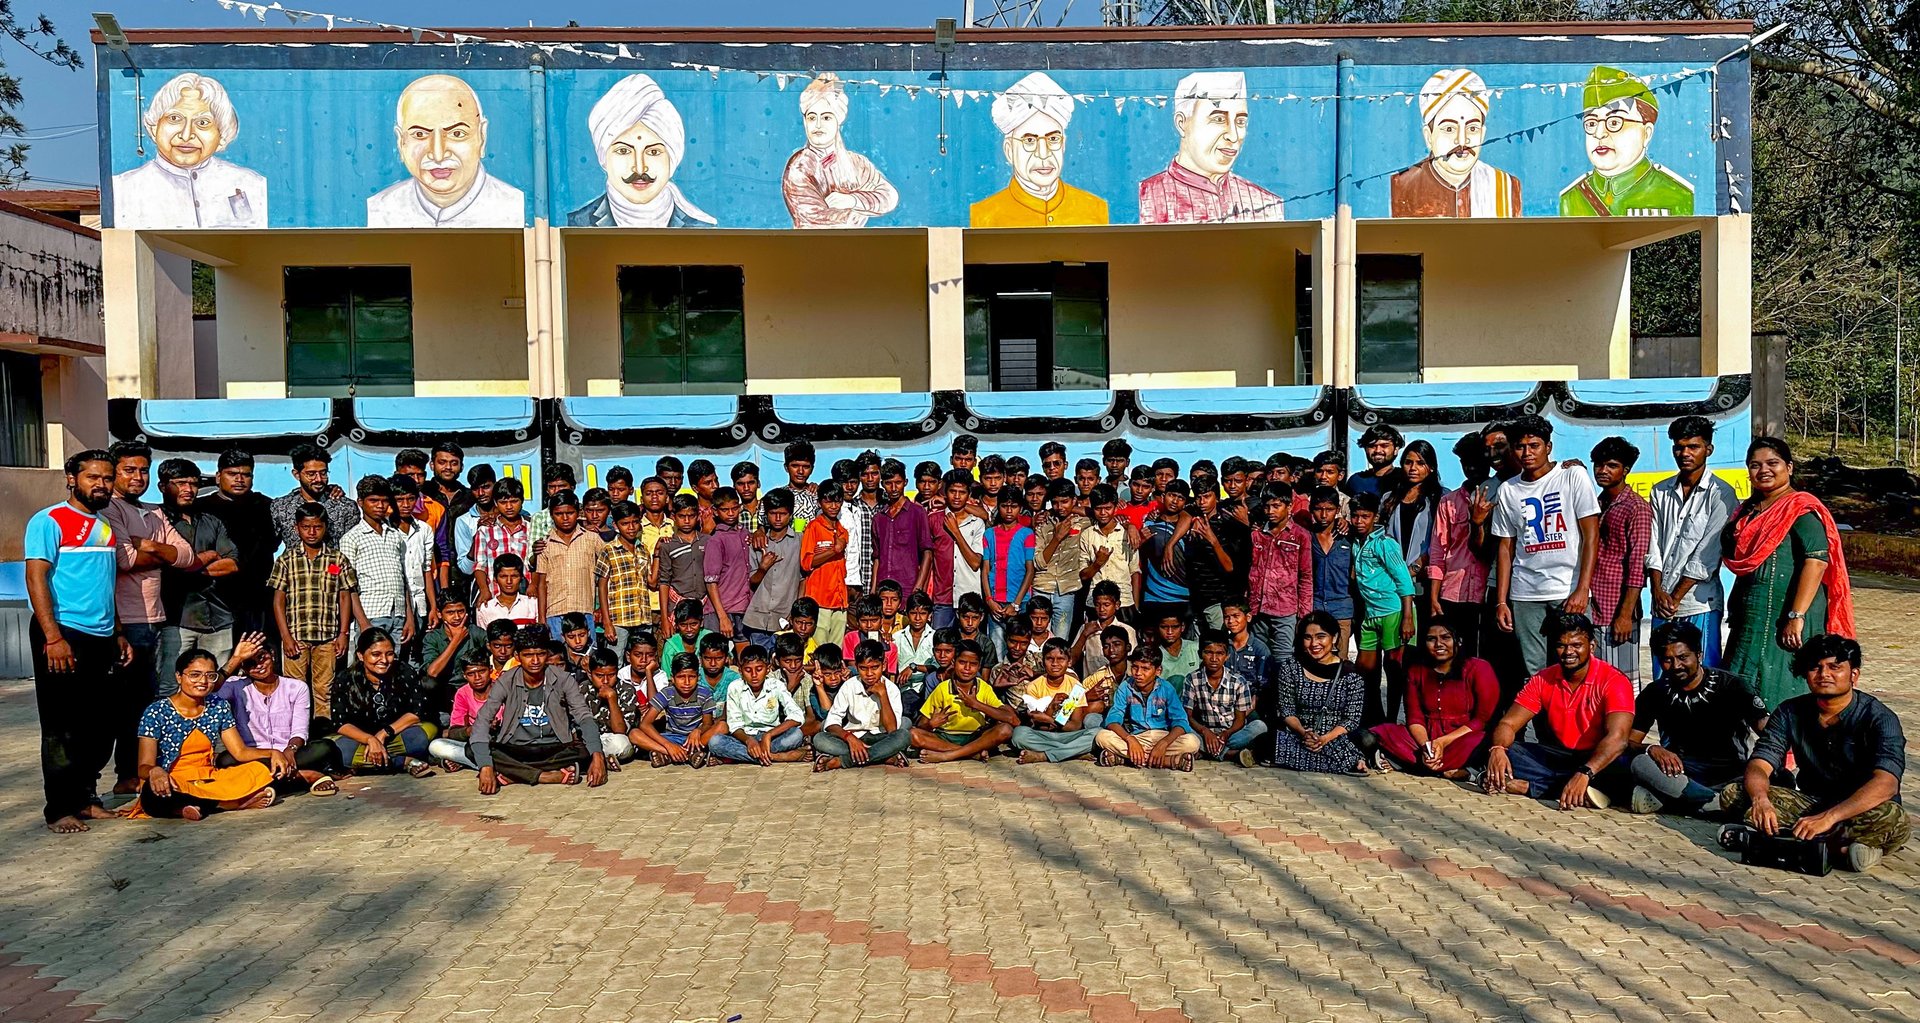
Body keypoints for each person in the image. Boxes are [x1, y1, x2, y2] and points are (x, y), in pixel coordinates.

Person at [1720, 635, 1908, 872]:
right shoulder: (1790, 711)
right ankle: (1840, 849)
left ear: (1854, 675)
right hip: (1812, 805)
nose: (1824, 674)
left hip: (1860, 809)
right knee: (1734, 795)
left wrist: (1829, 818)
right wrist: (1761, 800)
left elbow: (1886, 784)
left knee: (1892, 816)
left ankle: (1781, 839)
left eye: (1834, 667)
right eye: (1815, 668)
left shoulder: (1879, 718)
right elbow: (1760, 763)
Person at [27, 451, 137, 832]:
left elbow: (107, 585)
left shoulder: (105, 525)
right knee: (62, 726)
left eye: (107, 478)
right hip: (63, 632)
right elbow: (36, 578)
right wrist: (53, 637)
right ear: (71, 478)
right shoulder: (49, 520)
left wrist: (118, 631)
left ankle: (87, 799)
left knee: (101, 723)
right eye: (93, 477)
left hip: (102, 635)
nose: (101, 485)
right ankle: (59, 810)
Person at [1722, 436, 1856, 709]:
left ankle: (1788, 751)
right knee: (1739, 692)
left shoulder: (1800, 510)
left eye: (1773, 463)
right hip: (1751, 621)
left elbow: (1816, 562)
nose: (1764, 471)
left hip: (1788, 620)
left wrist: (1796, 616)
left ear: (1790, 468)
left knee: (1782, 689)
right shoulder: (1748, 511)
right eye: (1755, 465)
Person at [100, 441, 201, 793]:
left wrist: (151, 546)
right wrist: (163, 554)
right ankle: (124, 774)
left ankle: (136, 772)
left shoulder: (154, 513)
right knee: (125, 704)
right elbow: (124, 559)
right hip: (127, 620)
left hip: (155, 618)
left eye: (143, 470)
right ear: (114, 474)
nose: (138, 477)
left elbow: (188, 556)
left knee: (146, 700)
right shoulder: (110, 510)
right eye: (130, 470)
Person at [1481, 613, 1634, 809]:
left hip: (1597, 759)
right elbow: (1508, 724)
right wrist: (1498, 750)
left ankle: (1530, 787)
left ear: (1592, 647)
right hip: (1559, 756)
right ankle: (1579, 791)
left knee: (1626, 767)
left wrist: (1585, 773)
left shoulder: (1614, 680)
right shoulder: (1543, 678)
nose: (1568, 652)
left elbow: (1618, 738)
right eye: (1562, 645)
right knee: (1504, 750)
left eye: (1576, 645)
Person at [1492, 415, 1602, 678]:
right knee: (1535, 671)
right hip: (1525, 593)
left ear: (1549, 446)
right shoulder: (1508, 490)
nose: (1527, 453)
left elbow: (1591, 537)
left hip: (1567, 590)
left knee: (1575, 665)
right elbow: (1506, 549)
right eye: (1520, 446)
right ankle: (1541, 721)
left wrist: (1582, 589)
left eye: (1534, 445)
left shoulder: (1572, 476)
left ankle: (1578, 721)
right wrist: (1501, 601)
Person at [1624, 621, 1769, 815]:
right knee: (1639, 763)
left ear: (1699, 655)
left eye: (1683, 657)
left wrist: (1759, 766)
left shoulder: (1733, 686)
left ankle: (1677, 802)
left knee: (1781, 776)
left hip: (1732, 775)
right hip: (1681, 775)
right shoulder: (1655, 692)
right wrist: (1652, 748)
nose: (1676, 666)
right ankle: (1714, 804)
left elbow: (1769, 734)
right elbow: (1630, 741)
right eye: (1667, 660)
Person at [131, 649, 294, 820]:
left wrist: (272, 753)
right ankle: (231, 803)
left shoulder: (218, 706)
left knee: (265, 767)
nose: (203, 681)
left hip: (210, 779)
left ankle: (198, 805)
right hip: (174, 782)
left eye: (210, 676)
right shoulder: (156, 711)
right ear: (179, 676)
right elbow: (143, 767)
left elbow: (240, 752)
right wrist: (155, 771)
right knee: (153, 794)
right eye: (195, 675)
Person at [1647, 416, 1739, 667]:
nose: (1684, 453)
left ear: (1708, 449)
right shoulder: (1660, 490)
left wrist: (1674, 598)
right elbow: (1651, 545)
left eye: (1693, 447)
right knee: (1664, 676)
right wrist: (1657, 592)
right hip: (1662, 603)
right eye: (1679, 447)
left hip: (1699, 603)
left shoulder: (1722, 494)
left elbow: (1707, 555)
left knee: (1703, 675)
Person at [471, 627, 609, 791]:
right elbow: (483, 720)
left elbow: (584, 716)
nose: (535, 661)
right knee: (473, 749)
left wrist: (598, 756)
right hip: (516, 749)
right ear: (517, 656)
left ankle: (514, 774)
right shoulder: (506, 680)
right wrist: (486, 767)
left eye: (541, 654)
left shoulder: (563, 679)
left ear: (547, 655)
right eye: (528, 655)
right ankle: (545, 776)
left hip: (555, 748)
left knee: (588, 749)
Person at [1367, 617, 1498, 776]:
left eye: (1446, 638)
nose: (1438, 644)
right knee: (1380, 733)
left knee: (1484, 741)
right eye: (1431, 639)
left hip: (1462, 738)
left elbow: (1481, 720)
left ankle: (1412, 765)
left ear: (1459, 641)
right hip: (1426, 739)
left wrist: (1443, 742)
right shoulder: (1416, 671)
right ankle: (1445, 769)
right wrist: (1427, 747)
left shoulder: (1478, 668)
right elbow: (1414, 718)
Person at [269, 504, 359, 724]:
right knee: (294, 689)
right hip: (296, 637)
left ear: (325, 527)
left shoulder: (337, 559)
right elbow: (278, 601)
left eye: (317, 527)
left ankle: (323, 732)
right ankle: (296, 733)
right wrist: (286, 637)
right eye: (306, 527)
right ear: (296, 528)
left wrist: (343, 633)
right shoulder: (286, 560)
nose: (311, 532)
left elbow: (345, 597)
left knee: (324, 688)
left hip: (327, 637)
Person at [155, 458, 240, 688]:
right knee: (170, 686)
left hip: (218, 616)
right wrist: (208, 557)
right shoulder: (155, 521)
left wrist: (187, 568)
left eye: (193, 484)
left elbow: (231, 563)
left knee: (216, 688)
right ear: (163, 486)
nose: (188, 489)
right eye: (180, 483)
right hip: (175, 618)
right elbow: (162, 565)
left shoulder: (210, 521)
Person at [216, 637, 341, 786]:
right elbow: (209, 692)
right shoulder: (235, 686)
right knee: (225, 761)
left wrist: (290, 751)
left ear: (273, 655)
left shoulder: (296, 687)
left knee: (325, 748)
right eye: (250, 663)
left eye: (262, 658)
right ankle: (301, 776)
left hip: (291, 754)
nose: (259, 666)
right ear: (243, 667)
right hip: (254, 756)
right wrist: (236, 659)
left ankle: (270, 778)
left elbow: (299, 732)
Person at [326, 628, 438, 777]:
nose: (384, 660)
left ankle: (368, 764)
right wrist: (370, 739)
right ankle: (403, 762)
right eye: (376, 654)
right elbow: (340, 723)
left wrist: (384, 734)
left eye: (389, 654)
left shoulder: (403, 670)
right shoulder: (345, 679)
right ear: (360, 655)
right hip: (360, 740)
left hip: (395, 735)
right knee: (340, 751)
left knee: (423, 735)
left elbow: (417, 712)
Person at [1586, 437, 1653, 689]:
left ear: (1626, 470)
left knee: (1620, 684)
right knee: (1594, 682)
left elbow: (1637, 566)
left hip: (1617, 609)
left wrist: (1625, 615)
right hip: (1594, 606)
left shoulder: (1636, 508)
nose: (1603, 471)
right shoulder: (1597, 502)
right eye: (1599, 465)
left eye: (1611, 465)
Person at [194, 449, 279, 639]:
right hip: (213, 598)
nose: (239, 479)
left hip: (257, 600)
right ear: (218, 476)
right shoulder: (199, 508)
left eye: (246, 475)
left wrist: (330, 493)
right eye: (232, 474)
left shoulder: (265, 506)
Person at [1271, 611, 1369, 775]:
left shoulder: (1351, 673)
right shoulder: (1290, 668)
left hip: (1337, 737)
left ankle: (1291, 760)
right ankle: (1347, 763)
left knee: (1367, 740)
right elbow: (1286, 709)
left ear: (1335, 638)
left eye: (1321, 636)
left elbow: (1352, 718)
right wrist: (1304, 733)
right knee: (1267, 741)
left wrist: (1325, 739)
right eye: (1308, 637)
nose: (1314, 643)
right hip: (1299, 736)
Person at [1350, 493, 1418, 726]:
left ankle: (1392, 720)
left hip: (1393, 611)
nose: (1359, 521)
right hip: (1370, 613)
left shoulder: (1385, 544)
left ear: (1375, 517)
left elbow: (1404, 580)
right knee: (1365, 669)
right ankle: (1371, 718)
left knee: (1394, 668)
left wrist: (1407, 617)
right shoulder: (1356, 543)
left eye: (1365, 516)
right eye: (1355, 516)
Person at [1426, 433, 1494, 658]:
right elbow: (1438, 551)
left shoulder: (1503, 493)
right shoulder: (1449, 502)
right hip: (1453, 593)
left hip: (1487, 592)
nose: (1472, 468)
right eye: (1466, 463)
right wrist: (1434, 598)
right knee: (1455, 657)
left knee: (1486, 658)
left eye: (1477, 462)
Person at [911, 641, 1018, 764]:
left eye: (973, 664)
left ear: (979, 666)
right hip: (945, 738)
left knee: (1006, 730)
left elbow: (1013, 720)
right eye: (962, 662)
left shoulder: (983, 687)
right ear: (954, 662)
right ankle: (970, 754)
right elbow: (920, 725)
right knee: (912, 734)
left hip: (976, 738)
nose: (967, 668)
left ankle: (947, 756)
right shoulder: (942, 688)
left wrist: (976, 704)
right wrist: (931, 724)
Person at [814, 639, 913, 771]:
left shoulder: (891, 689)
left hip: (880, 737)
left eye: (874, 667)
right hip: (853, 736)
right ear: (856, 666)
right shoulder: (849, 686)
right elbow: (832, 722)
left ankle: (843, 761)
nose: (869, 674)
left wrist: (883, 695)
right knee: (820, 739)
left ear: (883, 665)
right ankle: (884, 756)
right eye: (863, 668)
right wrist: (850, 738)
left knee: (903, 735)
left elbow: (892, 729)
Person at [339, 475, 415, 644]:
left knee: (393, 664)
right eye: (373, 501)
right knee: (372, 664)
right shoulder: (352, 538)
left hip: (398, 614)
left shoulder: (395, 535)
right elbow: (349, 586)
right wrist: (363, 622)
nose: (380, 506)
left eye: (384, 501)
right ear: (360, 502)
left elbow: (404, 579)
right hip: (371, 612)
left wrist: (409, 617)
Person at [1096, 646, 1199, 770]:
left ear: (1158, 671)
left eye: (1145, 669)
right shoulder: (1125, 687)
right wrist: (1130, 740)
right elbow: (1112, 720)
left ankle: (1125, 759)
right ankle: (1169, 761)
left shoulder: (1166, 688)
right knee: (1102, 737)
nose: (1138, 673)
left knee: (1192, 742)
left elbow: (1181, 721)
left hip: (1162, 736)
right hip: (1137, 737)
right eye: (1135, 667)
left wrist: (1163, 743)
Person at [709, 645, 809, 765]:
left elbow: (797, 715)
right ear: (740, 671)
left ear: (768, 669)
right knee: (715, 742)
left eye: (759, 669)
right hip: (744, 737)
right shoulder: (735, 687)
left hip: (772, 737)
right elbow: (734, 725)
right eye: (748, 670)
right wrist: (748, 741)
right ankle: (777, 757)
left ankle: (739, 757)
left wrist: (769, 735)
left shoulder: (776, 685)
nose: (754, 675)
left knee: (796, 735)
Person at [1011, 637, 1106, 764]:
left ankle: (1043, 756)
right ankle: (1073, 752)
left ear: (1069, 662)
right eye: (1050, 659)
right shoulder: (1034, 686)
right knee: (1019, 734)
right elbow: (1040, 728)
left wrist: (1050, 720)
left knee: (1098, 733)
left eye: (1061, 659)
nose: (1055, 664)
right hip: (1044, 736)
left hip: (1069, 736)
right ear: (1043, 661)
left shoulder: (1074, 686)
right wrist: (1050, 708)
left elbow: (1076, 726)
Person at [1247, 483, 1313, 664]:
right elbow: (1250, 569)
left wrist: (1303, 615)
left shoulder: (1301, 536)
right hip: (1257, 608)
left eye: (1276, 506)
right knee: (1258, 658)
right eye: (1267, 506)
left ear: (1289, 506)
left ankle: (1283, 693)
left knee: (1283, 659)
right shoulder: (1256, 535)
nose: (1271, 511)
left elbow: (1306, 577)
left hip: (1285, 609)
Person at [1182, 630, 1265, 767]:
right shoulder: (1192, 679)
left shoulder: (1238, 681)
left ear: (1227, 656)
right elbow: (1188, 716)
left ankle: (1209, 751)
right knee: (1186, 731)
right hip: (1205, 732)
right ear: (1200, 654)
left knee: (1259, 726)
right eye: (1208, 653)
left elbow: (1240, 719)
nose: (1214, 658)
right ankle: (1231, 755)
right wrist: (1205, 731)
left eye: (1219, 653)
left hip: (1231, 734)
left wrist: (1227, 733)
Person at [532, 490, 604, 642]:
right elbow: (542, 584)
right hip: (555, 612)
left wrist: (602, 607)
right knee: (559, 659)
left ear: (578, 512)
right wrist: (542, 618)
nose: (565, 518)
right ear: (551, 515)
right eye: (559, 514)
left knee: (587, 658)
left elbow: (607, 572)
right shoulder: (545, 544)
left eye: (570, 513)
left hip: (584, 611)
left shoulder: (592, 539)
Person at [633, 653, 719, 768]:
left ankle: (671, 756)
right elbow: (645, 724)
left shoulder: (704, 694)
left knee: (722, 726)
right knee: (634, 734)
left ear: (698, 677)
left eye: (692, 677)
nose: (687, 682)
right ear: (672, 678)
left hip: (695, 740)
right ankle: (676, 753)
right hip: (672, 737)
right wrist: (668, 745)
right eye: (681, 677)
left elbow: (708, 723)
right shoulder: (667, 693)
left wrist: (698, 730)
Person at [742, 489, 803, 649]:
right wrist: (763, 568)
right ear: (766, 514)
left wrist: (795, 611)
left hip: (786, 616)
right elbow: (752, 581)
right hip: (758, 618)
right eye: (772, 513)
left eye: (782, 514)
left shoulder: (799, 541)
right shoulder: (758, 542)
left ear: (790, 514)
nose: (777, 518)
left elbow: (803, 579)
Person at [982, 490, 1038, 658]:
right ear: (999, 507)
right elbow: (985, 570)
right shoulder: (989, 534)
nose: (1009, 510)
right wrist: (989, 600)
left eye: (1013, 506)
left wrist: (1015, 604)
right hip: (996, 603)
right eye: (1005, 506)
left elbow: (1030, 570)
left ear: (1020, 508)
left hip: (1019, 603)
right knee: (997, 650)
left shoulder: (1027, 534)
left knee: (1019, 649)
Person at [1031, 479, 1090, 639]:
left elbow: (1096, 513)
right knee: (1037, 637)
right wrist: (1057, 538)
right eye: (1055, 503)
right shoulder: (1043, 525)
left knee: (1060, 640)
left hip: (1067, 589)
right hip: (1042, 587)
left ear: (1074, 500)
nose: (1060, 507)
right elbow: (1039, 562)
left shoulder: (1083, 523)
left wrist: (1075, 510)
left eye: (1065, 502)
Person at [871, 459, 934, 597]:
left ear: (905, 482)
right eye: (888, 483)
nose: (893, 488)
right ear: (882, 485)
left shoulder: (917, 512)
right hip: (882, 591)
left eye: (898, 483)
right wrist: (873, 592)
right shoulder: (878, 519)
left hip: (908, 589)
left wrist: (918, 589)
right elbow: (877, 558)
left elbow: (927, 553)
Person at [701, 486, 754, 650]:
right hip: (721, 609)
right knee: (715, 657)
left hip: (744, 606)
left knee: (745, 657)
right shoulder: (715, 540)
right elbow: (711, 582)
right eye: (725, 510)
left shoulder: (746, 534)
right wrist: (722, 616)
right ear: (715, 512)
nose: (731, 513)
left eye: (734, 508)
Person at [800, 480, 851, 646]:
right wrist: (833, 551)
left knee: (836, 650)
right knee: (819, 649)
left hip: (840, 600)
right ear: (820, 502)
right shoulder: (813, 528)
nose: (833, 506)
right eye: (828, 501)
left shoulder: (843, 530)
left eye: (837, 501)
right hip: (819, 600)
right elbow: (806, 563)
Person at [427, 655, 499, 772]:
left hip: (498, 744)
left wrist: (495, 728)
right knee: (435, 745)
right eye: (471, 674)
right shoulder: (462, 693)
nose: (477, 678)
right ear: (464, 675)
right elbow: (454, 732)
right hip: (472, 744)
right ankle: (485, 764)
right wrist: (472, 730)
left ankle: (470, 762)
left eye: (482, 671)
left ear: (490, 669)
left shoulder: (502, 689)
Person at [1307, 486, 1355, 653]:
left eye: (1329, 509)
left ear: (1338, 509)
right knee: (1314, 655)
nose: (1324, 514)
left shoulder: (1349, 537)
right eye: (1319, 509)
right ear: (1311, 510)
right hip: (1314, 604)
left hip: (1342, 606)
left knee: (1341, 659)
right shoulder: (1307, 537)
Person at [1070, 581, 1136, 682]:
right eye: (1097, 605)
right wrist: (1084, 635)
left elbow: (1132, 661)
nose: (1101, 609)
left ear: (1117, 605)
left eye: (1106, 604)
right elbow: (1071, 660)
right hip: (1092, 685)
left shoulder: (1127, 631)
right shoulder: (1086, 629)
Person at [474, 554, 540, 629]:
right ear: (495, 579)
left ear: (521, 578)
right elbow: (484, 638)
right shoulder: (485, 609)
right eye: (503, 576)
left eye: (514, 576)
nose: (509, 581)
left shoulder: (533, 604)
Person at [1345, 424, 1403, 499]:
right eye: (1372, 446)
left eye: (1384, 446)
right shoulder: (1356, 481)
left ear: (1396, 449)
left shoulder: (1404, 479)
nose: (1378, 450)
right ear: (1365, 449)